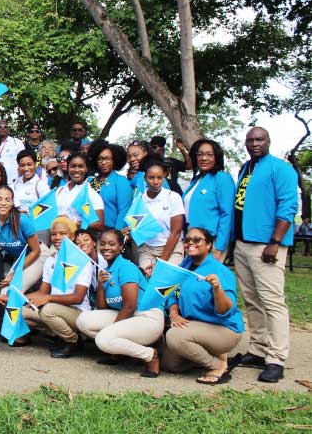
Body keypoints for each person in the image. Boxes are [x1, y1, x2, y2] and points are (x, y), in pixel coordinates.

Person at [228, 126, 297, 383]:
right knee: (252, 299)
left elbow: (288, 206)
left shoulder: (281, 169)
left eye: (260, 139)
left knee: (273, 302)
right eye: (250, 140)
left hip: (266, 245)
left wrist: (275, 241)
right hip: (244, 244)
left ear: (268, 141)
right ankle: (258, 349)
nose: (255, 143)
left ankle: (276, 358)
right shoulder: (246, 168)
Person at [75, 228, 163, 377]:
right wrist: (102, 287)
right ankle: (120, 352)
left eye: (112, 244)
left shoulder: (126, 267)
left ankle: (149, 355)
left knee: (103, 339)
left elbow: (130, 306)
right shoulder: (108, 269)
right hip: (129, 317)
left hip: (147, 318)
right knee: (83, 321)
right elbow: (102, 308)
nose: (106, 247)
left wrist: (111, 329)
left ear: (121, 246)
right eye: (102, 244)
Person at [163, 228, 244, 384]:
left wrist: (217, 289)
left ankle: (218, 365)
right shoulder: (184, 266)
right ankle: (212, 355)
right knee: (171, 364)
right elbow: (171, 293)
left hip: (223, 329)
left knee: (174, 336)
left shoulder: (220, 270)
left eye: (197, 240)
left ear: (208, 245)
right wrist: (174, 313)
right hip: (194, 326)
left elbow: (226, 311)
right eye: (187, 240)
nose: (190, 243)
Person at [23, 216, 93, 358]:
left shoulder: (83, 260)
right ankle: (58, 334)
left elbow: (78, 298)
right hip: (55, 307)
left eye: (63, 234)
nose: (57, 237)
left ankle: (73, 340)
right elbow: (42, 291)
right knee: (19, 311)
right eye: (54, 234)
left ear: (72, 236)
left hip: (78, 312)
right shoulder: (51, 260)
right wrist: (15, 297)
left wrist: (48, 299)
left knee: (47, 310)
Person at [0, 185, 43, 296]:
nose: (3, 203)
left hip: (36, 255)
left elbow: (36, 251)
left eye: (7, 199)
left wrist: (15, 272)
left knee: (6, 292)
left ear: (12, 202)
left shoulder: (22, 220)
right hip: (15, 258)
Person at [125, 157, 184, 270]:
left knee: (166, 282)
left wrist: (161, 262)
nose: (156, 182)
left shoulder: (173, 197)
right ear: (145, 178)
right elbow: (137, 226)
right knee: (147, 281)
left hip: (172, 248)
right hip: (147, 250)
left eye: (160, 178)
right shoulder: (139, 200)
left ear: (164, 177)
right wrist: (127, 232)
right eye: (151, 177)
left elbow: (176, 232)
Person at [183, 139, 235, 262]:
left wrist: (219, 247)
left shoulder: (222, 178)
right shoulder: (196, 180)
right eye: (200, 154)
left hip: (211, 242)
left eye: (209, 154)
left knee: (207, 279)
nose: (204, 158)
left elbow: (227, 214)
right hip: (192, 239)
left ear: (216, 157)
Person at [54, 152, 105, 231]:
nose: (76, 170)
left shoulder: (91, 194)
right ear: (68, 168)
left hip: (78, 239)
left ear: (86, 169)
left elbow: (99, 224)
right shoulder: (59, 191)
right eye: (73, 166)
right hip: (58, 238)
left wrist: (71, 223)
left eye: (81, 166)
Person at [87, 140, 132, 230]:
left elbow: (124, 211)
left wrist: (116, 233)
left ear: (114, 160)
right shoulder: (89, 181)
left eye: (107, 159)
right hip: (88, 230)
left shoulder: (121, 182)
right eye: (100, 159)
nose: (103, 163)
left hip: (110, 231)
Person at [0, 119, 24, 185]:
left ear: (8, 130)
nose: (2, 128)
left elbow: (24, 159)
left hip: (13, 182)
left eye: (5, 127)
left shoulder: (16, 142)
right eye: (0, 127)